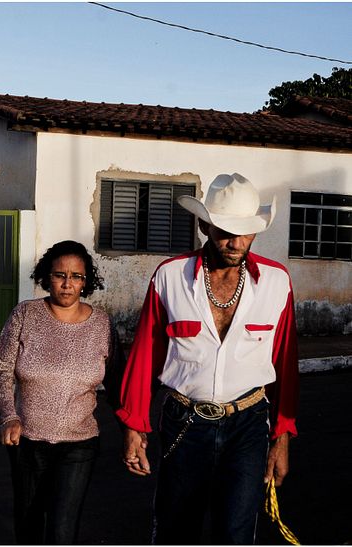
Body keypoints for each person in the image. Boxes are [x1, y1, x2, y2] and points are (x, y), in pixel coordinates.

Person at [116, 173, 299, 544]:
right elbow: (145, 354)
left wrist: (282, 437)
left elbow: (285, 363)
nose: (234, 242)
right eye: (224, 231)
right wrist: (134, 425)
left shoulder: (278, 282)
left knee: (235, 532)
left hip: (248, 424)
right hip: (185, 421)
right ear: (204, 225)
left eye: (245, 232)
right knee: (175, 529)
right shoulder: (169, 276)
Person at [0, 240, 123, 544]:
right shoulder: (25, 315)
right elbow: (1, 370)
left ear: (86, 281)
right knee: (29, 526)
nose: (67, 284)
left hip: (80, 443)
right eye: (59, 275)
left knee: (62, 530)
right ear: (46, 277)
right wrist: (8, 416)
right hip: (27, 442)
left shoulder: (102, 325)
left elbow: (117, 382)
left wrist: (133, 431)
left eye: (76, 276)